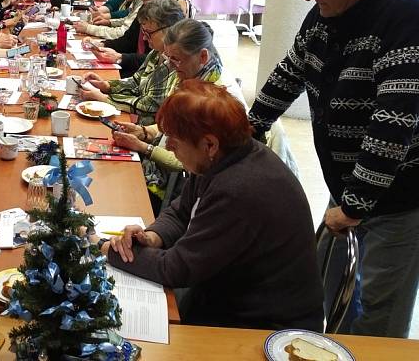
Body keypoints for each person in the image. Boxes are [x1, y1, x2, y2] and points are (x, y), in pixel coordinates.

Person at [248, 0, 419, 338]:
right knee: (328, 289)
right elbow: (289, 73)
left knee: (378, 310)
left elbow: (394, 122)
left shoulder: (406, 17)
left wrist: (356, 205)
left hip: (397, 196)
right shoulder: (326, 15)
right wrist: (250, 127)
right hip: (347, 184)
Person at [96, 80, 324, 331]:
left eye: (174, 140)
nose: (168, 146)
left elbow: (177, 268)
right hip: (227, 296)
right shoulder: (222, 157)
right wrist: (152, 237)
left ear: (209, 144)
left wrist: (105, 247)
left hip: (262, 327)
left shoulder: (238, 190)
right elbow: (181, 211)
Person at [109, 19, 244, 206]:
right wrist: (145, 132)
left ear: (203, 57)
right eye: (168, 58)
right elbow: (175, 127)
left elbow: (188, 162)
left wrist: (143, 147)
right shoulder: (190, 74)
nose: (171, 66)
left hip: (188, 186)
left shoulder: (215, 98)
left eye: (176, 59)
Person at [80, 0, 184, 121]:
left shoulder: (175, 62)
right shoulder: (156, 53)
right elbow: (135, 82)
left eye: (149, 32)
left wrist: (106, 99)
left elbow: (149, 105)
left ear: (169, 30)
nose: (144, 38)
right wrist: (107, 85)